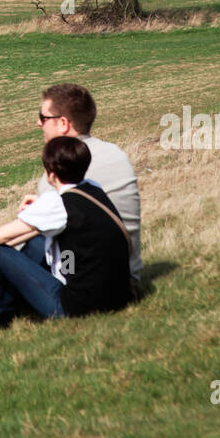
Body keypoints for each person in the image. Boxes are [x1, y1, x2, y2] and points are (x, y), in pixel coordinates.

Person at [0, 135, 131, 347]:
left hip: (76, 307)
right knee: (39, 241)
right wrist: (40, 205)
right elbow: (65, 216)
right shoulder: (92, 188)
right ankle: (2, 309)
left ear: (51, 174)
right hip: (118, 295)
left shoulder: (57, 204)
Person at [24, 83, 142, 293]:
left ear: (63, 123)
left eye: (43, 117)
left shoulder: (62, 169)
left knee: (11, 251)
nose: (38, 123)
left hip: (88, 281)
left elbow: (45, 227)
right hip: (127, 273)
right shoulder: (116, 154)